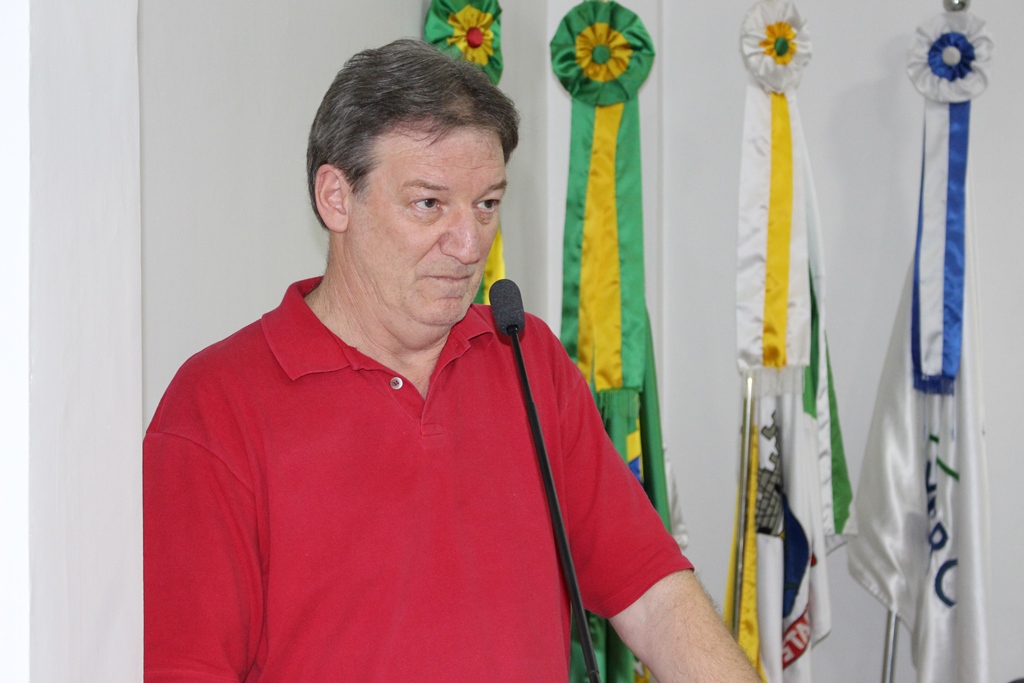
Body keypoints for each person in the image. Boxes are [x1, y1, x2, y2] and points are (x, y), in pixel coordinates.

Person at [144, 38, 758, 682]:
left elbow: (655, 596)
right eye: (429, 204)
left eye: (486, 204)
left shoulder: (527, 358)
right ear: (336, 197)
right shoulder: (217, 404)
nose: (469, 246)